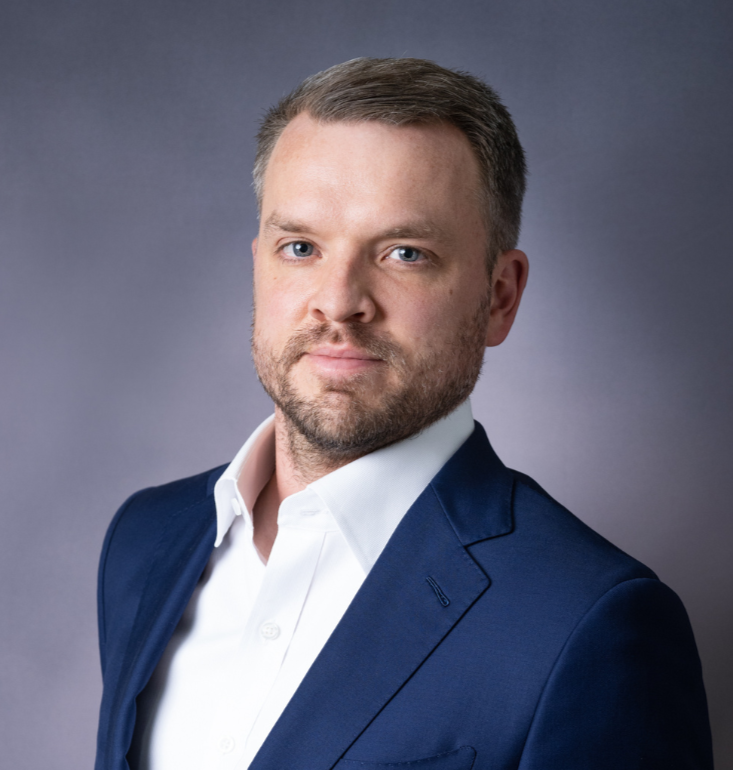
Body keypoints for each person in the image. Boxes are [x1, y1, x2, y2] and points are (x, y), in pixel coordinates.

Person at [95, 58, 713, 770]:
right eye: (301, 247)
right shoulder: (147, 541)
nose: (338, 299)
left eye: (404, 253)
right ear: (259, 263)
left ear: (499, 296)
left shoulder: (590, 622)